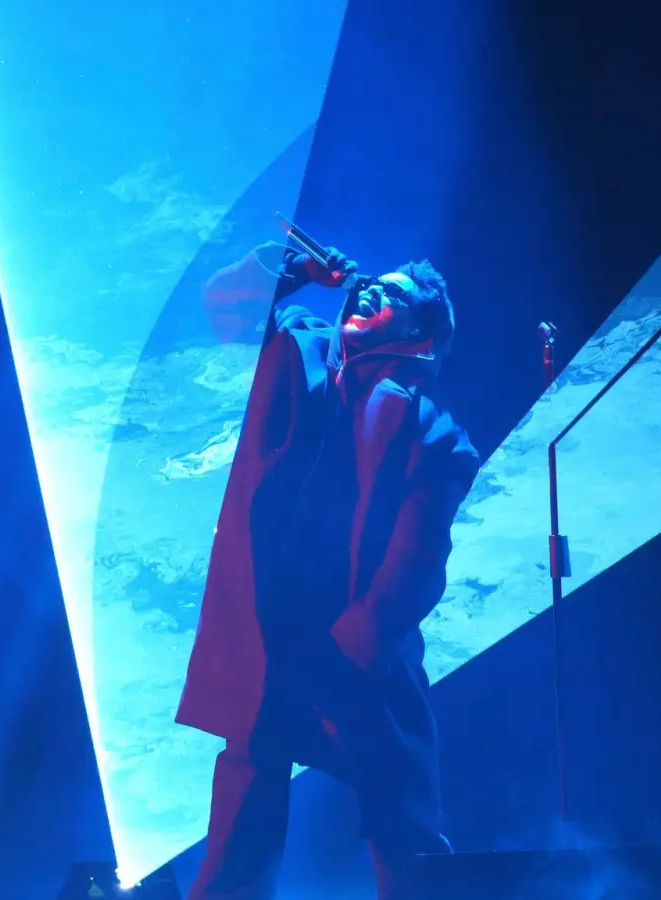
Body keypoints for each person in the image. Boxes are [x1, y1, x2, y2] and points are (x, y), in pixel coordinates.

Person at [177, 241, 480, 899]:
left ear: (419, 332)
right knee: (239, 835)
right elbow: (224, 309)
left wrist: (358, 643)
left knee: (406, 833)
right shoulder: (297, 348)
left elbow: (419, 560)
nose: (371, 293)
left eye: (393, 297)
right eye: (374, 285)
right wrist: (289, 269)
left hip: (358, 652)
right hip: (271, 637)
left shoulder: (435, 433)